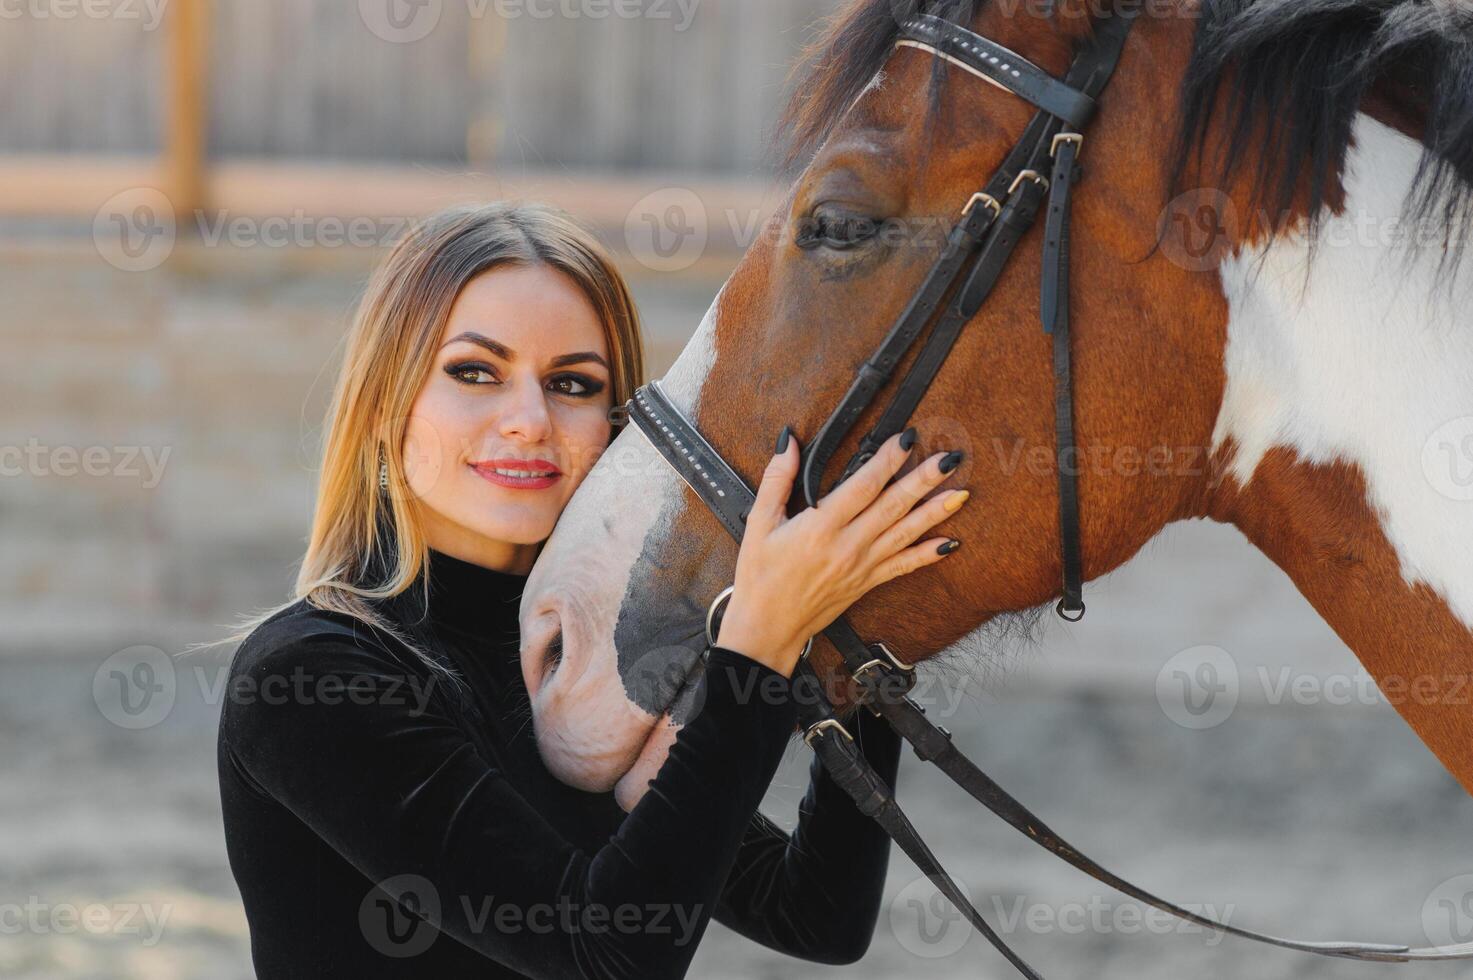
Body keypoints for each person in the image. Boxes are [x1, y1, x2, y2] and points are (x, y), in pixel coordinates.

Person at [216, 202, 970, 979]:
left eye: (572, 383)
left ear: (616, 426)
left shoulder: (581, 654)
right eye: (475, 371)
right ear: (383, 407)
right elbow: (605, 958)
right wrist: (758, 644)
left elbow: (816, 914)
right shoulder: (309, 678)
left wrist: (863, 622)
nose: (528, 420)